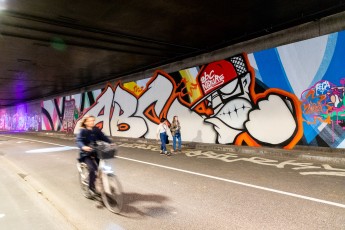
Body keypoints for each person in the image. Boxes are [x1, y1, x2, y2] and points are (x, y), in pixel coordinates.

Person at [76, 115, 112, 195]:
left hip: (96, 152)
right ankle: (91, 188)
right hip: (86, 154)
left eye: (92, 120)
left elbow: (104, 137)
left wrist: (111, 143)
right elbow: (79, 141)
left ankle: (102, 182)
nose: (91, 122)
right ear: (85, 122)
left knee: (104, 167)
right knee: (93, 169)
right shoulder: (82, 131)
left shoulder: (96, 130)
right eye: (89, 121)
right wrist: (83, 147)